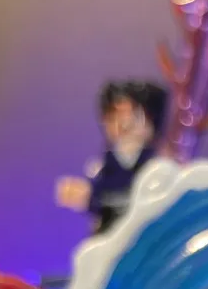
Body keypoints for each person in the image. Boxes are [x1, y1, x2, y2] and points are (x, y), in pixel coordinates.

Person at [55, 80, 168, 234]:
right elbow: (98, 199)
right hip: (109, 235)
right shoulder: (104, 166)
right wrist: (84, 196)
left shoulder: (154, 164)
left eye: (134, 117)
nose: (123, 125)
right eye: (114, 118)